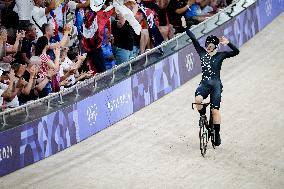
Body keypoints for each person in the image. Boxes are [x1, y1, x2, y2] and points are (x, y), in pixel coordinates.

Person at [183, 21, 239, 146]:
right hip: (204, 84)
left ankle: (217, 134)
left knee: (215, 111)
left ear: (215, 46)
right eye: (207, 44)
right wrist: (185, 27)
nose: (208, 46)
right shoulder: (202, 53)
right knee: (197, 99)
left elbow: (236, 52)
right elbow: (193, 39)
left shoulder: (221, 55)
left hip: (216, 86)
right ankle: (203, 116)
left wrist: (228, 43)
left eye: (211, 45)